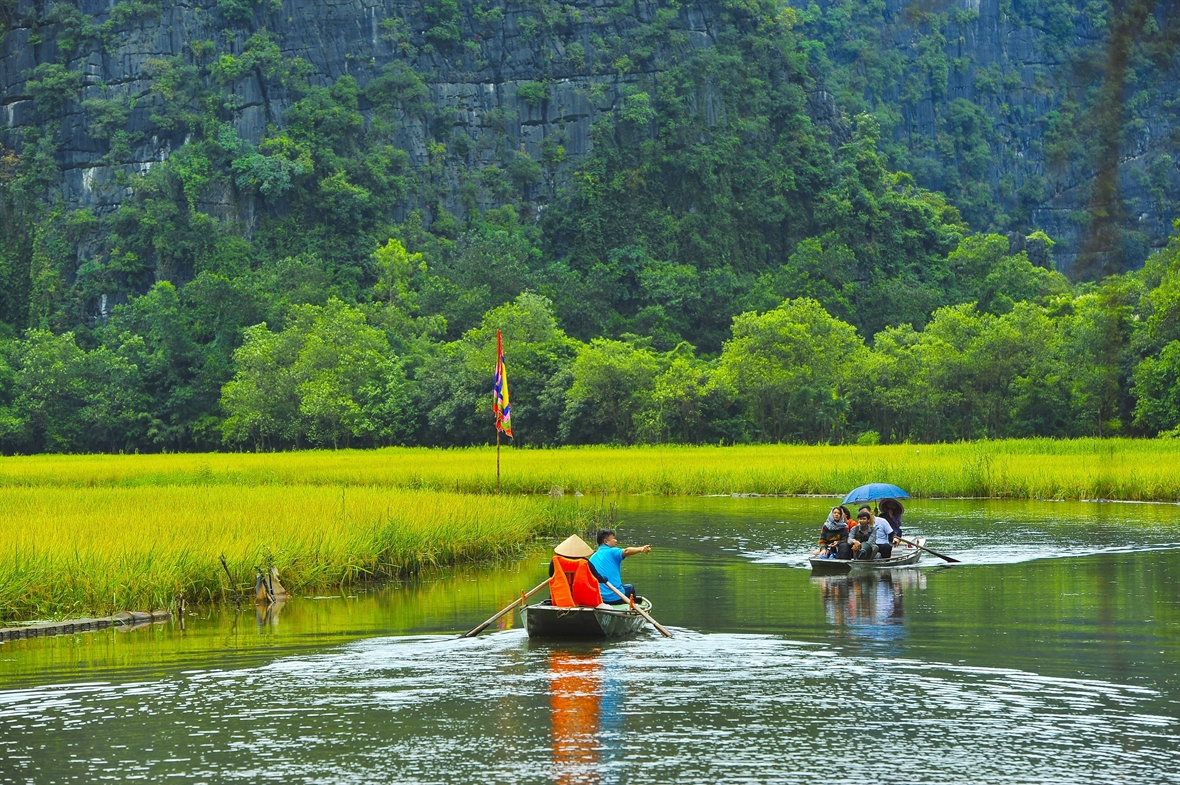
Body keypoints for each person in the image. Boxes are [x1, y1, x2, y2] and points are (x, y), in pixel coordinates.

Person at [588, 529, 652, 604]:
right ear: (606, 541)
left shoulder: (592, 558)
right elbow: (626, 551)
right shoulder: (612, 551)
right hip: (615, 598)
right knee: (630, 588)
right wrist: (641, 549)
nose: (616, 540)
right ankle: (632, 610)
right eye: (613, 538)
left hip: (599, 599)